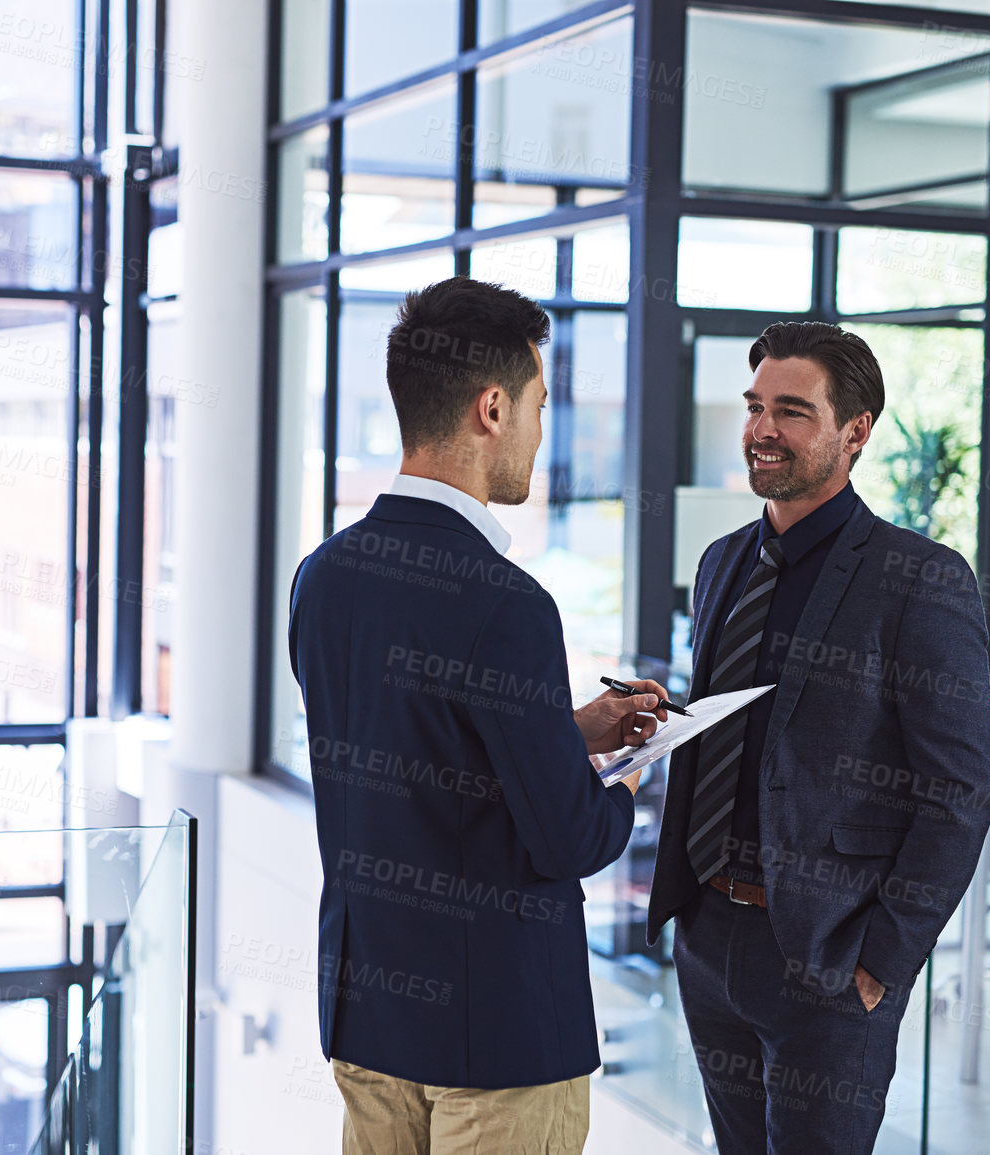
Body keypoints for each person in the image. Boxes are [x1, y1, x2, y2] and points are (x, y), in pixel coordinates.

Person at [288, 276, 669, 1154]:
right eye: (538, 403)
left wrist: (564, 729)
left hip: (369, 1010)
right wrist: (622, 772)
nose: (542, 431)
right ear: (491, 407)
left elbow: (411, 747)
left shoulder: (325, 574)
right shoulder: (506, 600)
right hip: (496, 1036)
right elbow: (570, 839)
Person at [647, 322, 990, 1154]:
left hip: (831, 956)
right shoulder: (721, 561)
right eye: (755, 406)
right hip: (710, 936)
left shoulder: (920, 577)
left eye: (792, 411)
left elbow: (958, 791)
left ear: (855, 431)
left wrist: (881, 960)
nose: (762, 429)